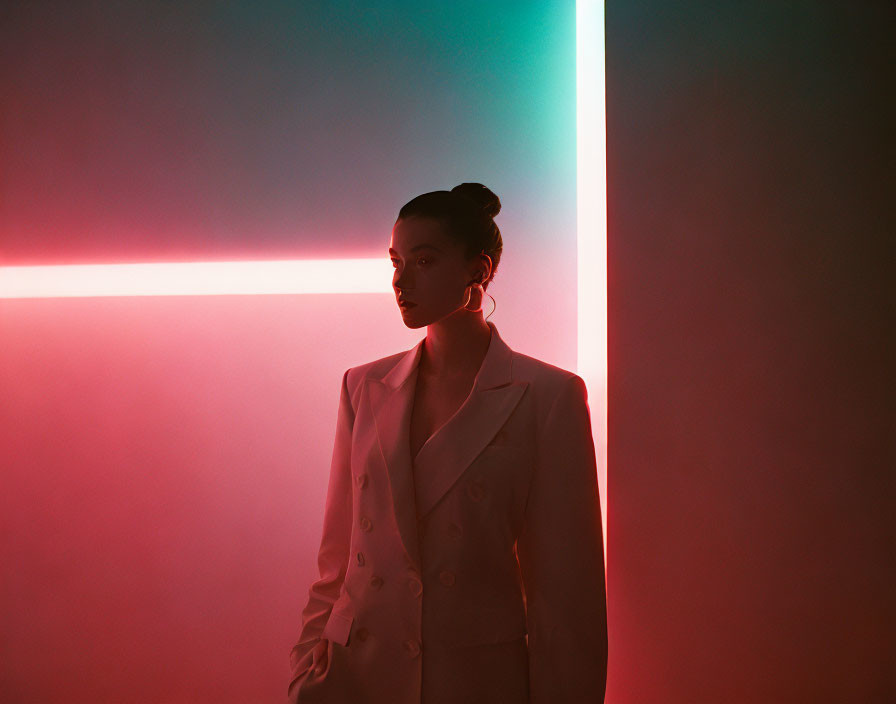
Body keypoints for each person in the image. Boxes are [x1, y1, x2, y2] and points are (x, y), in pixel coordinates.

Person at [288, 183, 607, 703]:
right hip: (352, 678)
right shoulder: (363, 386)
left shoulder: (548, 397)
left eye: (424, 261)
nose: (400, 280)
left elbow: (567, 597)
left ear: (478, 270)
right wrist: (305, 670)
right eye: (395, 261)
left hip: (470, 683)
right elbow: (338, 561)